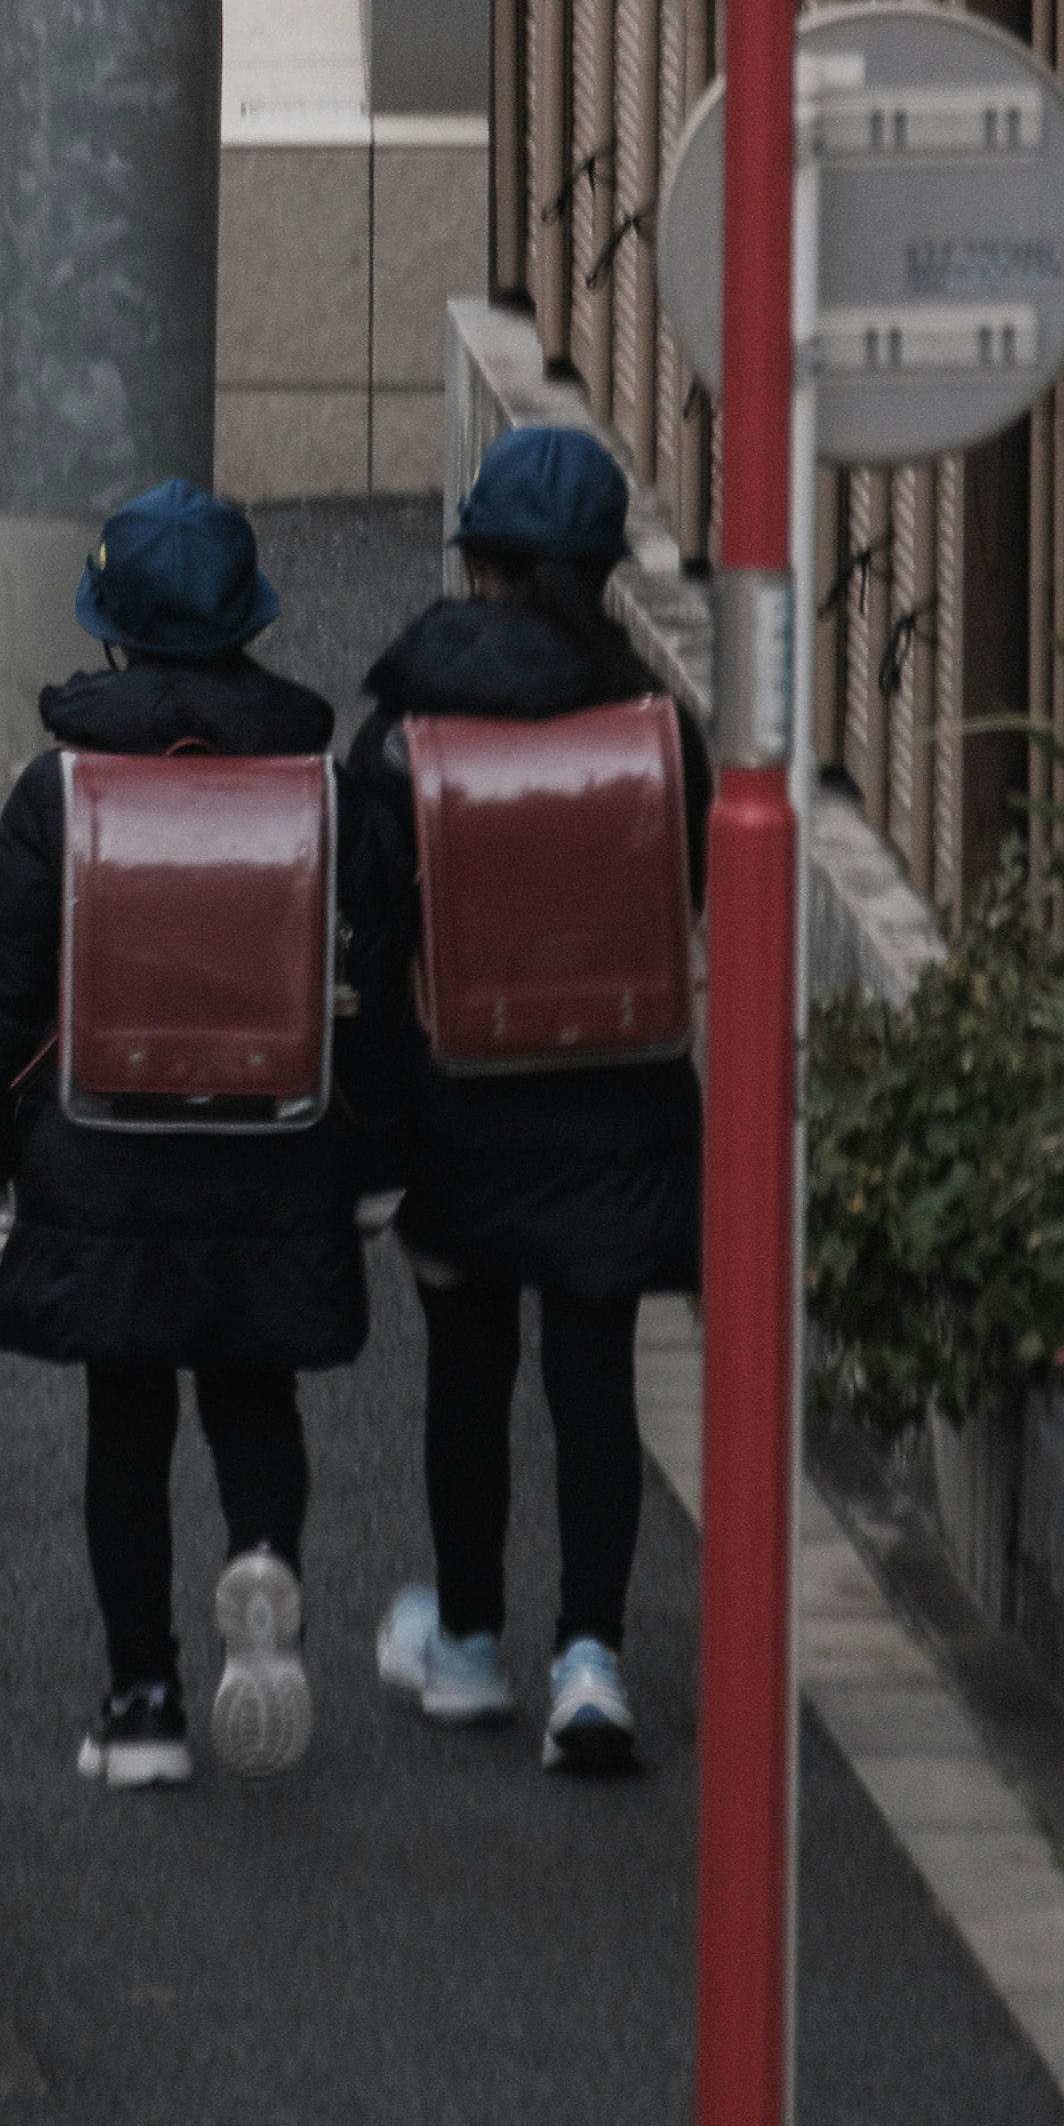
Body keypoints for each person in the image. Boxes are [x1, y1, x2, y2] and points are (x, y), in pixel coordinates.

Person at [0, 482, 365, 1793]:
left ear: (111, 631)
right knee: (254, 1388)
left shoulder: (61, 790)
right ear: (249, 624)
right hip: (275, 1143)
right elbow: (372, 993)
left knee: (128, 1418)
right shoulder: (318, 785)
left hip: (101, 1149)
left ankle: (145, 1699)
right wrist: (376, 1163)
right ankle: (266, 1558)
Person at [339, 421, 711, 1781]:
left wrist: (369, 1140)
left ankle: (471, 1642)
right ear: (603, 568)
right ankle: (593, 1657)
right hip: (614, 1104)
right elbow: (685, 900)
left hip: (455, 1104)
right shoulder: (659, 732)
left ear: (480, 560)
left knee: (467, 1367)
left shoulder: (400, 737)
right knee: (594, 1370)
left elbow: (365, 948)